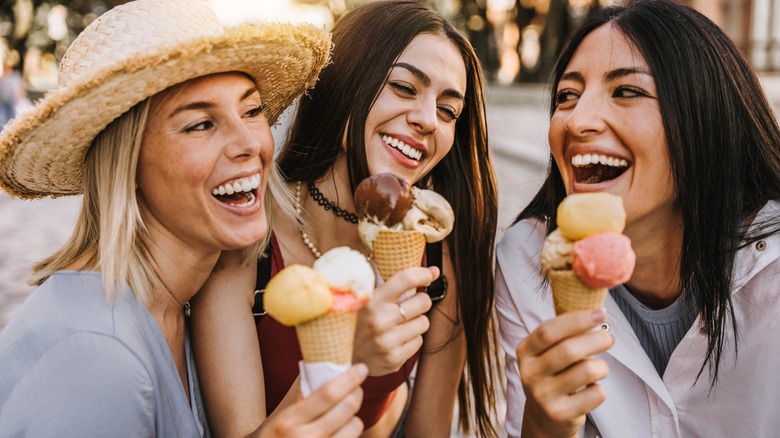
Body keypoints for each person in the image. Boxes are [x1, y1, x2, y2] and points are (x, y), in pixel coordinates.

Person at [0, 0, 369, 436]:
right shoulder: (97, 355)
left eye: (252, 111)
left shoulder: (177, 305)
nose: (250, 143)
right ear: (128, 163)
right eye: (200, 125)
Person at [191, 1, 501, 436]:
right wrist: (344, 362)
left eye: (449, 111)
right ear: (345, 83)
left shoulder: (437, 258)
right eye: (404, 87)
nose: (429, 119)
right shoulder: (247, 244)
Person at [495, 0, 780, 436]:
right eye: (567, 96)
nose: (577, 120)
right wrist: (543, 428)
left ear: (706, 116)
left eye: (627, 91)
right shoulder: (525, 263)